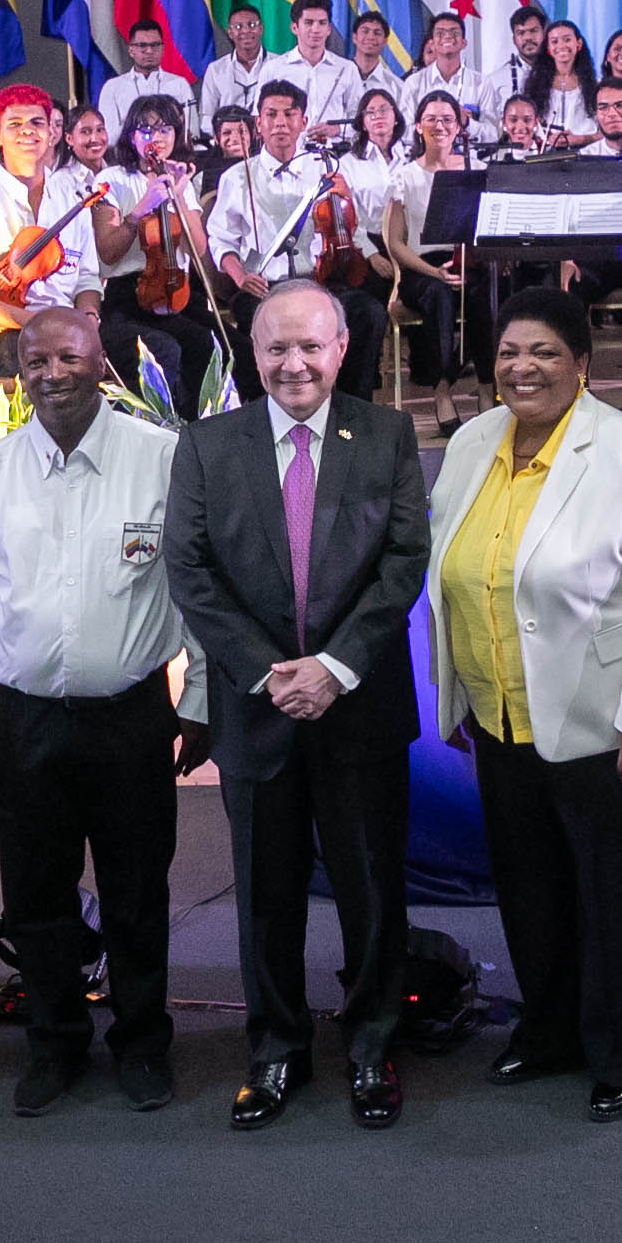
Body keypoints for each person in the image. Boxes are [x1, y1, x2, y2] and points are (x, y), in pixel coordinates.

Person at [429, 288, 622, 1120]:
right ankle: (550, 1029)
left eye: (546, 352)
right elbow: (455, 571)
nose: (524, 367)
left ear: (583, 365)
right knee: (530, 887)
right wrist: (460, 697)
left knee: (619, 898)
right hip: (501, 713)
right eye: (510, 351)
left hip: (611, 722)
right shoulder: (473, 441)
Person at [165, 281, 430, 1130]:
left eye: (310, 347)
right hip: (258, 708)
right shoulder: (208, 446)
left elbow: (403, 561)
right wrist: (268, 671)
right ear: (254, 352)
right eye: (276, 348)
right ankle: (275, 1051)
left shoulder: (386, 434)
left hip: (358, 707)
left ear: (342, 347)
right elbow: (191, 570)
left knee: (372, 889)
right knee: (264, 896)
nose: (294, 364)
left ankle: (371, 1046)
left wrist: (337, 667)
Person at [0, 310, 211, 1114]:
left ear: (101, 362)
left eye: (69, 356)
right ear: (19, 369)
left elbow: (195, 589)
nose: (52, 372)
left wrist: (198, 698)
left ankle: (142, 1043)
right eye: (35, 359)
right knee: (36, 896)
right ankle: (53, 1043)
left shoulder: (162, 461)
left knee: (137, 894)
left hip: (131, 718)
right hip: (26, 721)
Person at [204, 83, 391, 401]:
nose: (280, 123)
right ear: (258, 123)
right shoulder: (237, 177)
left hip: (319, 283)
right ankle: (277, 412)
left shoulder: (325, 168)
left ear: (303, 122)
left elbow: (347, 224)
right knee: (269, 327)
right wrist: (240, 276)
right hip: (265, 287)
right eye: (271, 114)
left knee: (368, 313)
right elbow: (221, 239)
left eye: (290, 114)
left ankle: (351, 409)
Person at [0, 84, 102, 374]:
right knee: (39, 363)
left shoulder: (76, 201)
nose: (27, 131)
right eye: (14, 124)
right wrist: (36, 322)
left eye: (37, 122)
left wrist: (89, 317)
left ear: (52, 134)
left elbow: (87, 277)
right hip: (0, 331)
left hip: (63, 328)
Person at [85, 94, 222, 411]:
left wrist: (177, 194)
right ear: (131, 136)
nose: (155, 139)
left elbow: (198, 249)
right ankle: (161, 430)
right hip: (128, 297)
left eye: (164, 130)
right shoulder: (111, 180)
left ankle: (203, 427)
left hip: (177, 292)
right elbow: (108, 253)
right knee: (164, 350)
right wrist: (141, 208)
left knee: (221, 347)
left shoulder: (180, 180)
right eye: (145, 130)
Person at [388, 90, 482, 426]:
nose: (439, 125)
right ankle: (442, 388)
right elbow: (395, 243)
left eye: (447, 119)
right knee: (439, 296)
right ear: (417, 126)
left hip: (468, 260)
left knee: (485, 293)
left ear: (458, 127)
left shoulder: (476, 169)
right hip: (422, 268)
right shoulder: (405, 176)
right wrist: (434, 272)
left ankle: (487, 385)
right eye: (431, 119)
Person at [264, 0, 363, 135]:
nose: (316, 30)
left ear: (329, 29)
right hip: (288, 153)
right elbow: (262, 119)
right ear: (294, 27)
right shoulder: (273, 69)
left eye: (322, 23)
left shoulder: (347, 69)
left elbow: (360, 120)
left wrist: (337, 130)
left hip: (335, 153)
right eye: (309, 23)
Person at [94, 16, 201, 143]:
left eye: (155, 45)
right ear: (131, 50)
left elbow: (192, 131)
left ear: (163, 49)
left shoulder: (179, 84)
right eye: (142, 45)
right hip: (126, 157)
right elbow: (109, 136)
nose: (149, 51)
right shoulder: (112, 87)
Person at [401, 11, 491, 150]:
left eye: (454, 32)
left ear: (463, 43)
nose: (448, 36)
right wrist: (435, 124)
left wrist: (467, 123)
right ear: (432, 43)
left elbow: (493, 134)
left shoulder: (482, 83)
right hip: (426, 162)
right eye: (440, 33)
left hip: (469, 163)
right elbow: (404, 132)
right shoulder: (414, 83)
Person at [524, 19, 598, 149]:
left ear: (578, 43)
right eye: (554, 41)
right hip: (545, 156)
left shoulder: (595, 85)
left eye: (567, 39)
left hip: (586, 154)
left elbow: (606, 133)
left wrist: (580, 139)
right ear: (548, 48)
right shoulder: (535, 84)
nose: (561, 46)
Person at [199, 5, 273, 127]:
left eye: (252, 25)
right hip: (228, 140)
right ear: (230, 32)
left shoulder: (278, 64)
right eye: (238, 27)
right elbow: (206, 116)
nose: (245, 31)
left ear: (261, 29)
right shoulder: (215, 69)